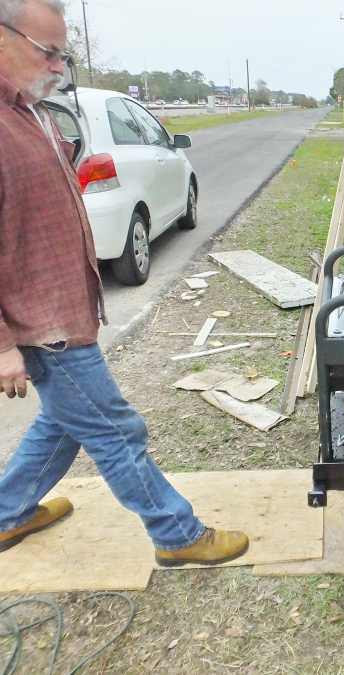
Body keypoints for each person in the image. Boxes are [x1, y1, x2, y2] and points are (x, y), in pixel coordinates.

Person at [0, 0, 249, 566]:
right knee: (113, 427)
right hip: (40, 322)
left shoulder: (26, 110)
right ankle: (177, 533)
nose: (59, 67)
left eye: (64, 54)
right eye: (48, 53)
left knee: (65, 422)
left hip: (63, 309)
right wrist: (4, 345)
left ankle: (6, 513)